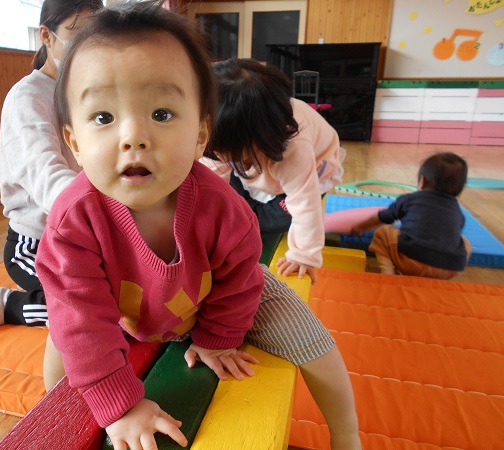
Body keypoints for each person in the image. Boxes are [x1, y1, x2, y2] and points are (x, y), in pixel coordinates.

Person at [36, 3, 361, 450]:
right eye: (104, 117)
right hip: (120, 307)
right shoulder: (72, 223)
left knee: (309, 335)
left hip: (210, 295)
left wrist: (218, 337)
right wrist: (120, 406)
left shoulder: (225, 209)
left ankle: (347, 433)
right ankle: (54, 425)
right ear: (74, 142)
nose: (133, 137)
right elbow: (83, 323)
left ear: (201, 136)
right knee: (65, 331)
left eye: (161, 114)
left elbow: (239, 278)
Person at [0, 0, 103, 338]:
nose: (86, 44)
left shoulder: (86, 91)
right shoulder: (27, 97)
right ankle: (8, 305)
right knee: (94, 311)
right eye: (76, 32)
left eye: (94, 34)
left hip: (86, 237)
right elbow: (45, 174)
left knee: (132, 297)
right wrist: (98, 215)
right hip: (36, 244)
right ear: (47, 35)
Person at [200, 58, 346, 283]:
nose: (217, 154)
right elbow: (210, 187)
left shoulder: (294, 150)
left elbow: (305, 205)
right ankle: (248, 213)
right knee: (225, 194)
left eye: (223, 151)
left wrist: (303, 255)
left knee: (275, 219)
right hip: (256, 162)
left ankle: (254, 218)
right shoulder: (224, 136)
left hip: (313, 172)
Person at [351, 152, 471, 279]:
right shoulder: (458, 211)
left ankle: (388, 273)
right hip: (448, 269)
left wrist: (360, 227)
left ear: (423, 181)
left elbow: (383, 217)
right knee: (465, 242)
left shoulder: (410, 200)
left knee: (383, 232)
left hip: (411, 262)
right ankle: (438, 276)